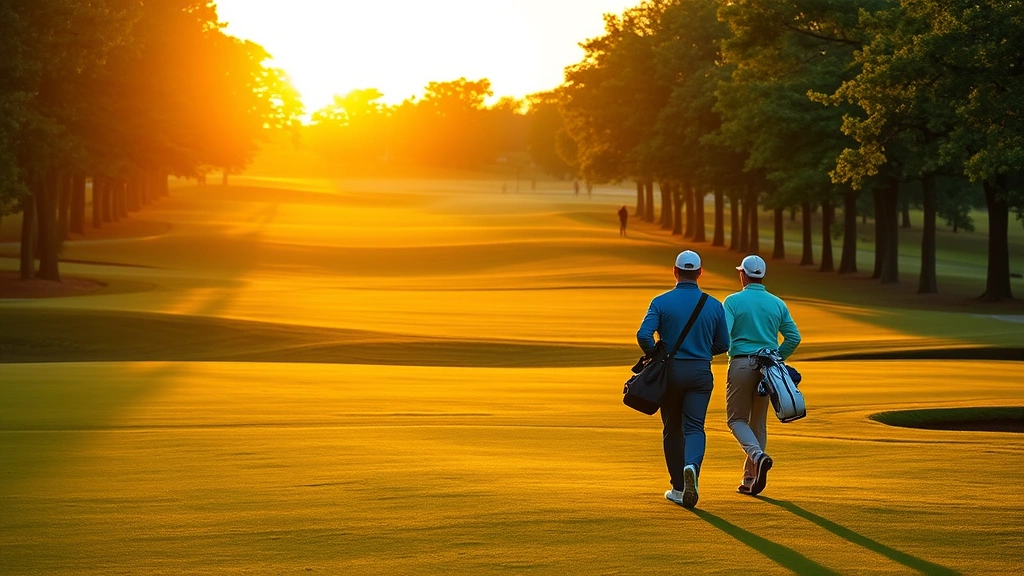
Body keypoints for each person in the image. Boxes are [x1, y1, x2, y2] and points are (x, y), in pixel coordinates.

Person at [637, 250, 730, 509]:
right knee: (694, 427)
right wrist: (700, 350)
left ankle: (679, 487)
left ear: (675, 271)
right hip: (700, 372)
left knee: (672, 429)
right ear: (700, 273)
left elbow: (644, 335)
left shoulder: (661, 301)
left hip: (670, 373)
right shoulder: (713, 304)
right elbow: (724, 343)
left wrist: (657, 353)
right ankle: (692, 467)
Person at [723, 254, 801, 496]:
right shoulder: (777, 303)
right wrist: (776, 356)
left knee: (736, 420)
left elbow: (724, 336)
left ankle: (757, 457)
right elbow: (794, 338)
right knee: (758, 423)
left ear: (743, 274)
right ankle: (749, 480)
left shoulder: (733, 301)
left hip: (742, 364)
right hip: (769, 369)